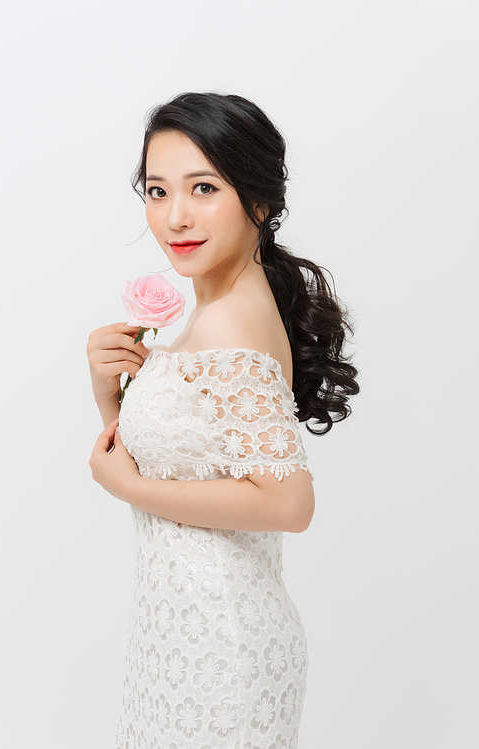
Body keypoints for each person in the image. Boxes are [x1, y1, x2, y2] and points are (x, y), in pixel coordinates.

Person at [87, 91, 359, 748]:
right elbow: (196, 455)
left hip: (220, 645)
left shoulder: (233, 320)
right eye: (157, 191)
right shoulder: (220, 308)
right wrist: (110, 393)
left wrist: (127, 487)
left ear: (258, 203)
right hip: (181, 633)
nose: (175, 215)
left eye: (203, 187)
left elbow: (289, 500)